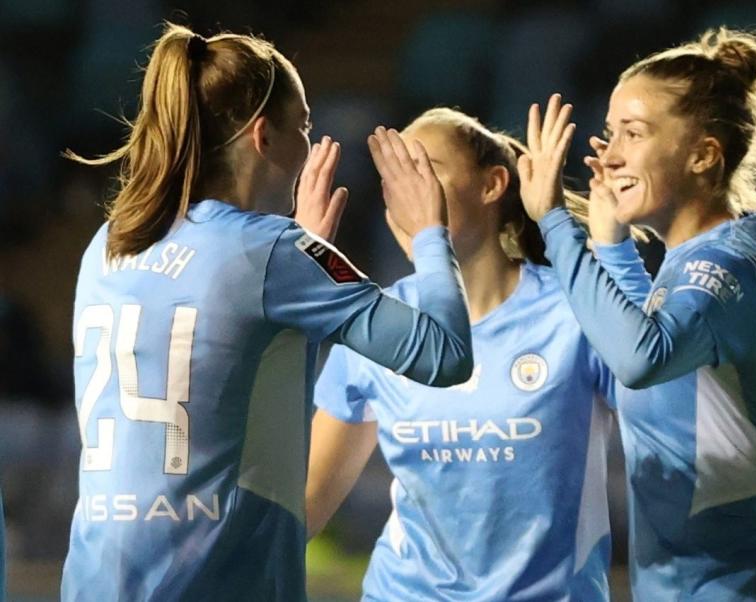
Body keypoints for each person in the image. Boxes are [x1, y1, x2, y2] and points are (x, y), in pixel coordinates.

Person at [62, 23, 473, 601]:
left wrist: (301, 265)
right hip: (219, 583)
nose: (308, 142)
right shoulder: (275, 251)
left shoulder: (111, 243)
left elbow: (241, 374)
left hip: (95, 582)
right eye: (303, 125)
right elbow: (445, 354)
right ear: (263, 136)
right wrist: (431, 229)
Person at [518, 28, 756, 601]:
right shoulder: (704, 261)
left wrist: (555, 223)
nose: (609, 155)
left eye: (633, 134)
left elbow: (640, 358)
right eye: (611, 133)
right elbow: (660, 360)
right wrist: (612, 246)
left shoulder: (728, 267)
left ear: (704, 154)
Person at [306, 108, 619, 600]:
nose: (405, 188)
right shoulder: (376, 322)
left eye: (423, 168)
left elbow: (673, 432)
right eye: (394, 174)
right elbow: (305, 505)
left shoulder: (576, 310)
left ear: (493, 184)